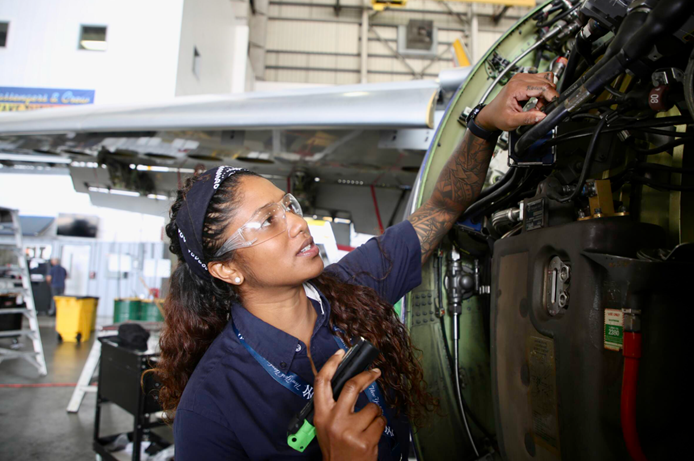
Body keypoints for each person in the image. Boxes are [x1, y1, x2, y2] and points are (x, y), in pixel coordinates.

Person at [153, 72, 559, 460]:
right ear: (227, 270)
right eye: (267, 221)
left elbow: (443, 208)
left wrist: (485, 124)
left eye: (287, 206)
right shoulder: (207, 411)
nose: (298, 223)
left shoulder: (352, 285)